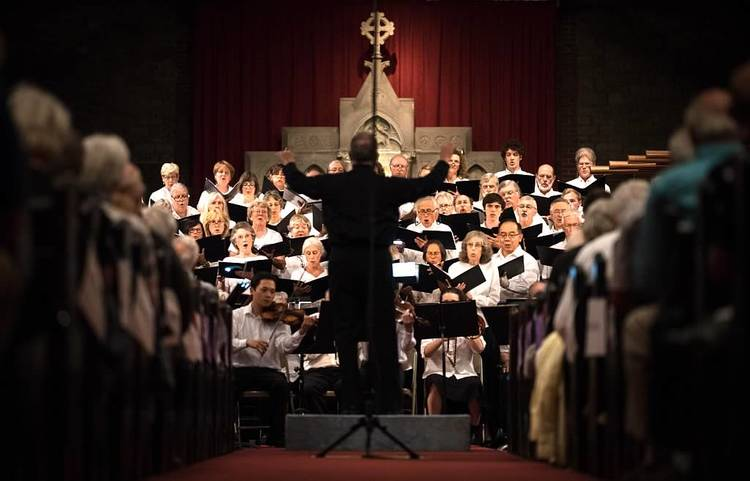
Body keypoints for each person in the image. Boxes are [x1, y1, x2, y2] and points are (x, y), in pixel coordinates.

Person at [277, 132, 451, 414]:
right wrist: (443, 161)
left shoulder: (334, 184)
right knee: (382, 327)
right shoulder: (385, 186)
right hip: (376, 260)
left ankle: (351, 402)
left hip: (343, 261)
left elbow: (300, 183)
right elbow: (426, 184)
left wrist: (289, 162)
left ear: (351, 156)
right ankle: (386, 404)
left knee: (344, 329)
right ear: (374, 158)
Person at [232, 272, 316, 446]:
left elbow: (284, 346)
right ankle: (227, 434)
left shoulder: (280, 318)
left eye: (272, 291)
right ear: (252, 290)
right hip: (240, 369)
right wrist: (247, 342)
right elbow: (224, 342)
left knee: (281, 386)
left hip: (268, 371)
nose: (269, 295)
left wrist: (301, 331)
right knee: (225, 384)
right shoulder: (236, 316)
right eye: (264, 290)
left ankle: (276, 437)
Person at [421, 288, 485, 435]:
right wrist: (442, 337)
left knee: (474, 385)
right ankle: (434, 428)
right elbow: (426, 352)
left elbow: (480, 349)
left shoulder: (470, 321)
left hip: (464, 373)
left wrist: (468, 331)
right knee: (436, 381)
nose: (449, 306)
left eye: (453, 303)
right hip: (437, 370)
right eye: (446, 302)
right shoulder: (431, 323)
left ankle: (474, 432)